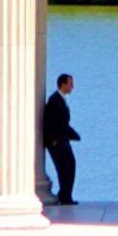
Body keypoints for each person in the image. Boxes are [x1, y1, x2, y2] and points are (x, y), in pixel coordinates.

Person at [39, 72, 80, 206]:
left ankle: (65, 195)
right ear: (63, 84)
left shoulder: (60, 100)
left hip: (64, 140)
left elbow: (63, 123)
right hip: (57, 142)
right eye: (70, 84)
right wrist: (53, 140)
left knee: (70, 165)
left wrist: (73, 134)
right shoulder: (54, 100)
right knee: (64, 168)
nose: (72, 86)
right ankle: (65, 197)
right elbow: (50, 122)